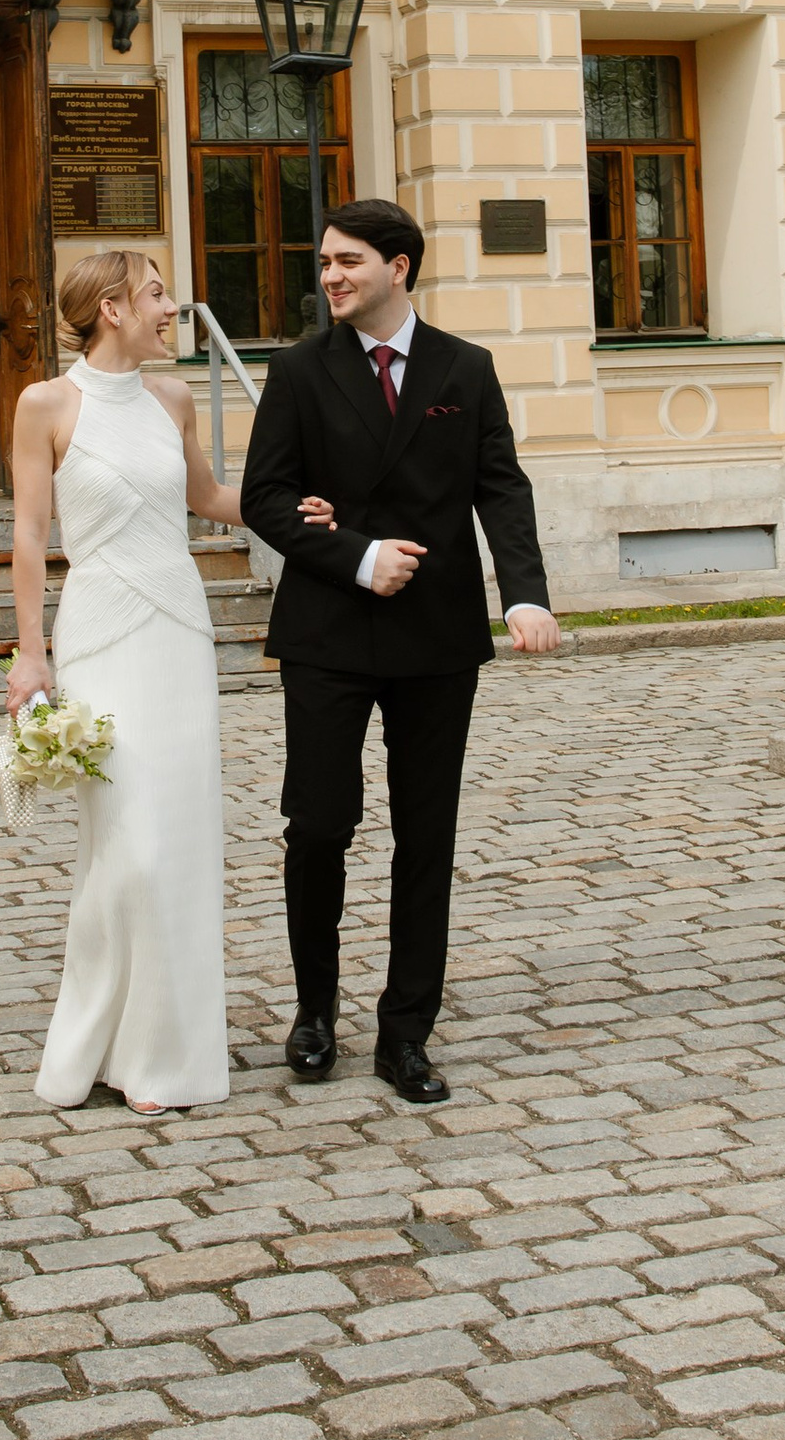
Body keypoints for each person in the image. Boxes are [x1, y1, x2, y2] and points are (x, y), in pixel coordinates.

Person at [239, 197, 561, 1105]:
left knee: (427, 836)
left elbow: (502, 488)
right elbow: (266, 499)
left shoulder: (467, 367)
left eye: (348, 262)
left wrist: (526, 592)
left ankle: (406, 1031)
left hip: (436, 634)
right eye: (325, 262)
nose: (331, 276)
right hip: (328, 633)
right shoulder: (298, 371)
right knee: (320, 824)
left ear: (399, 267)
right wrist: (356, 555)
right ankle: (312, 1014)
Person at [7, 250, 239, 1117]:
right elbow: (31, 534)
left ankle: (160, 1055)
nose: (173, 307)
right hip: (101, 629)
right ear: (111, 308)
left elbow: (209, 496)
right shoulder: (46, 406)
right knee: (127, 850)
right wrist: (32, 655)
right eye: (156, 294)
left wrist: (295, 506)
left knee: (177, 842)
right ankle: (100, 1041)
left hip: (177, 628)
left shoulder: (171, 399)